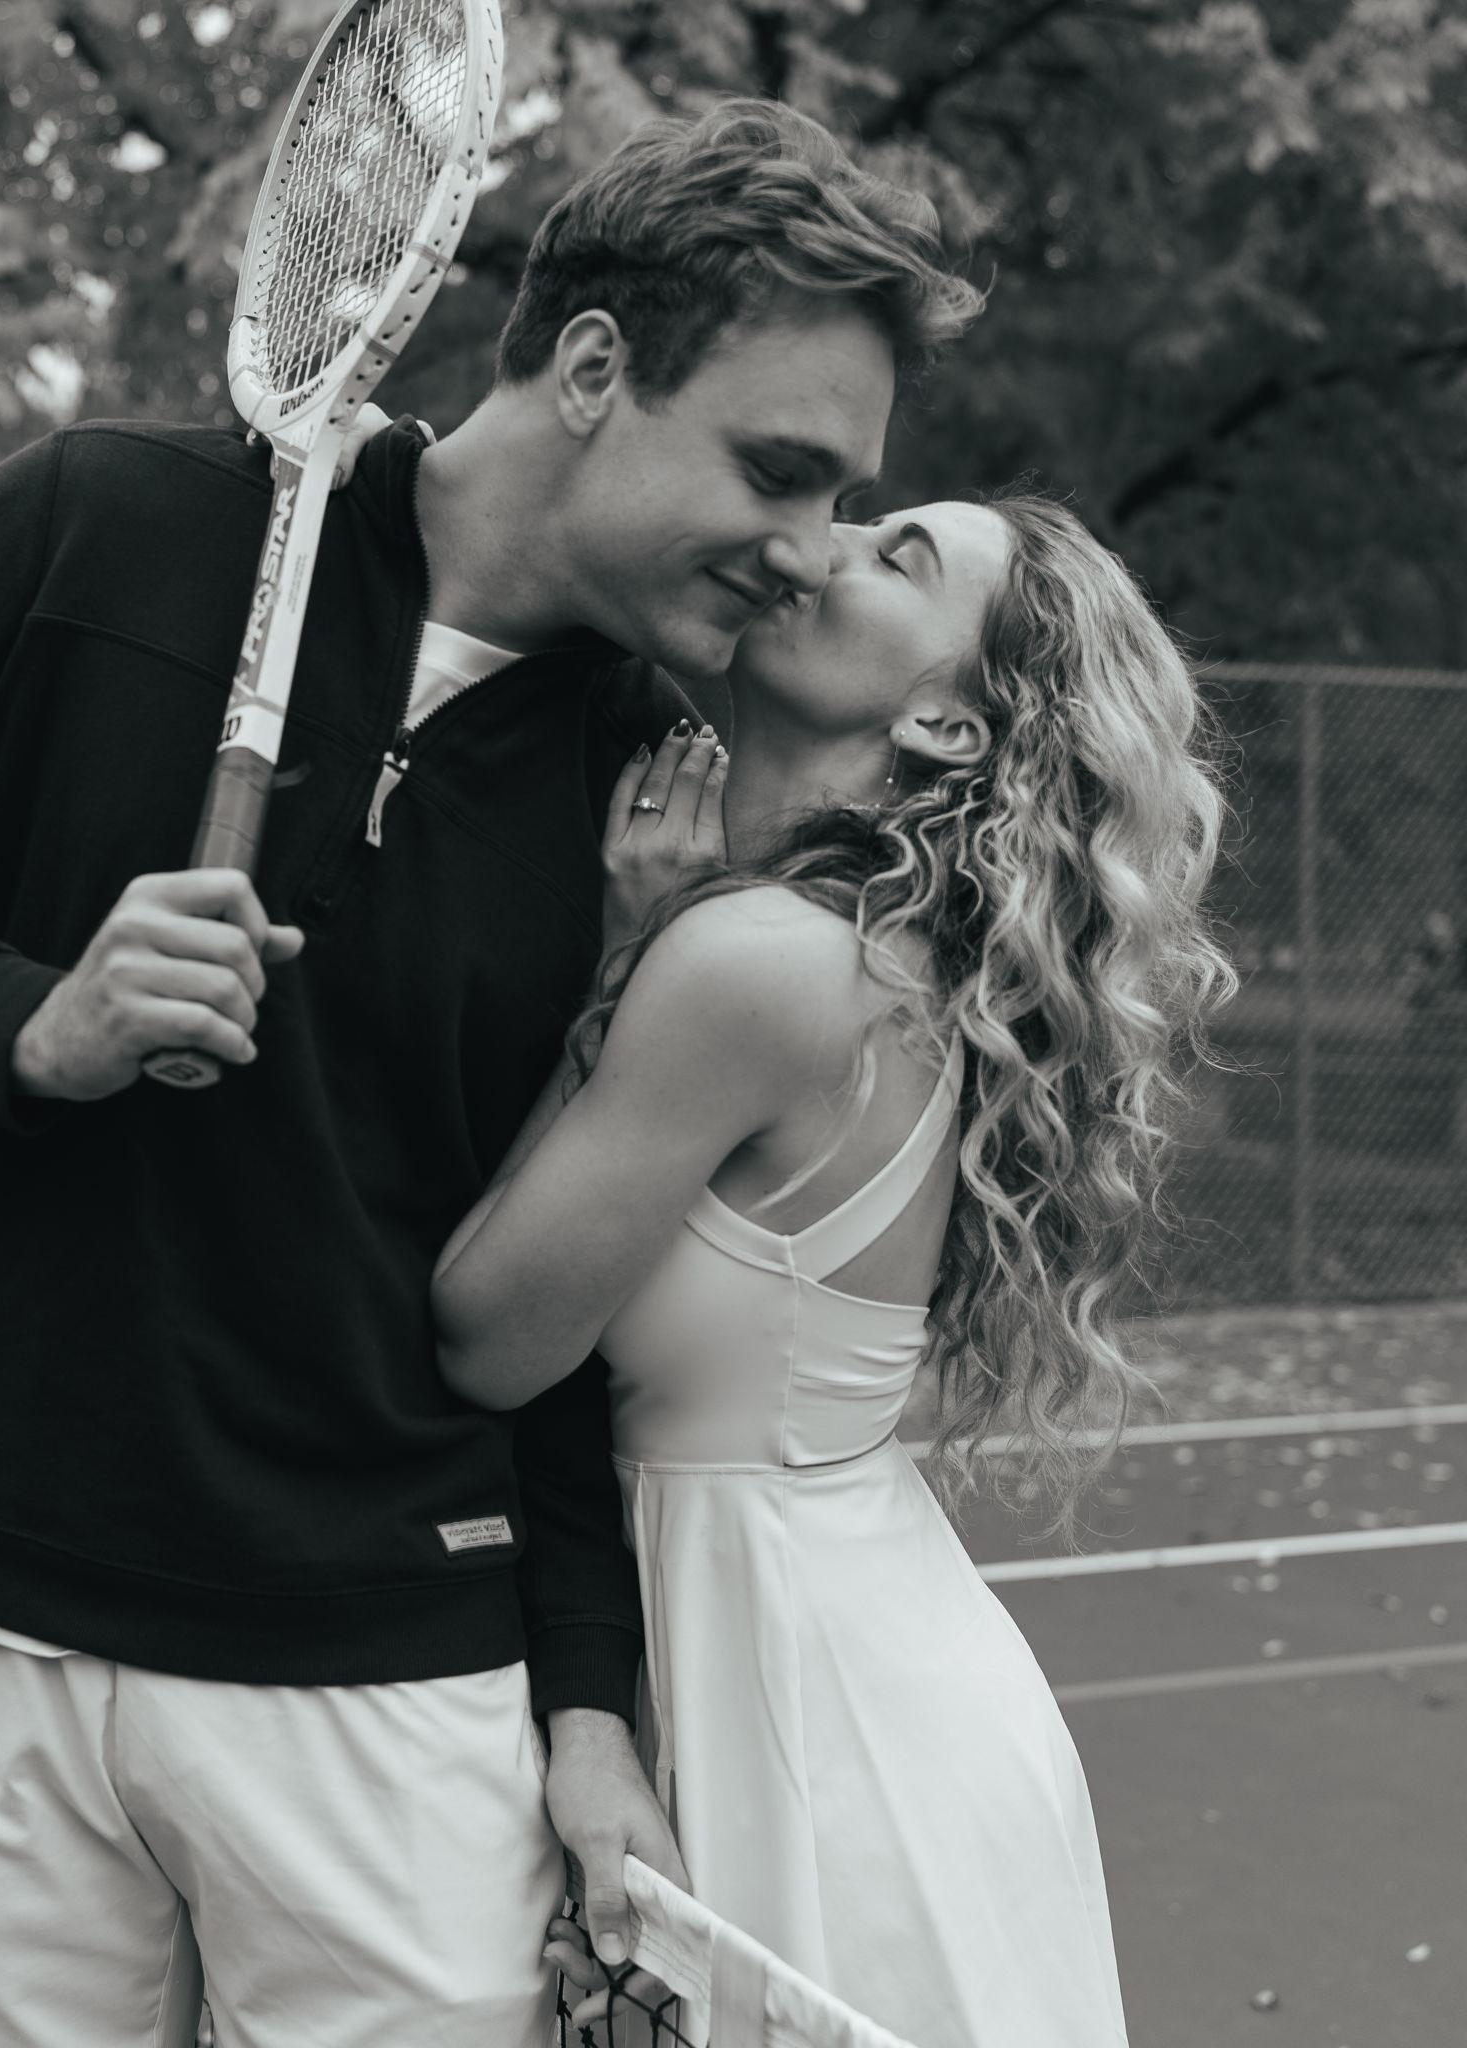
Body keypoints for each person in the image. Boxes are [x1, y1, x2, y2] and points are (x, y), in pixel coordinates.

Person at [0, 100, 982, 2048]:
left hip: (391, 1675)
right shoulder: (104, 523)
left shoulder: (656, 788)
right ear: (594, 368)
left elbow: (565, 1308)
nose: (805, 554)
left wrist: (585, 1702)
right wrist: (25, 1021)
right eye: (776, 472)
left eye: (842, 500)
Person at [433, 492, 1233, 2046]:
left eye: (896, 557)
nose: (818, 549)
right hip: (841, 1655)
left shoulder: (763, 963)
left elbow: (488, 1336)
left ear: (947, 724)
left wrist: (616, 964)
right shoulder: (869, 954)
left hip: (816, 1723)